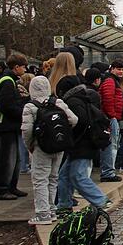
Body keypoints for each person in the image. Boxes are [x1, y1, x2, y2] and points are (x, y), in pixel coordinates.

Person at [22, 76, 78, 225]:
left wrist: (30, 145)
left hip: (40, 147)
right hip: (59, 145)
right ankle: (52, 209)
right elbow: (74, 119)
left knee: (40, 179)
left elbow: (26, 130)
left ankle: (42, 213)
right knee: (53, 178)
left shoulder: (30, 107)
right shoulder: (58, 102)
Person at [56, 76, 111, 214]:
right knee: (65, 174)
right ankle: (64, 204)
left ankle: (100, 200)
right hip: (84, 143)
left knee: (77, 175)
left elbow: (80, 121)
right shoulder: (82, 98)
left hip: (82, 144)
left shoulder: (72, 102)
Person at [0, 54, 29, 200]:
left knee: (15, 158)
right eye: (23, 66)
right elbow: (6, 105)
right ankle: (0, 188)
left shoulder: (8, 80)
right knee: (6, 158)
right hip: (6, 125)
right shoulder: (7, 82)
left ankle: (11, 186)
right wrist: (22, 112)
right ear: (16, 67)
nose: (25, 69)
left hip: (9, 125)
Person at [98, 59, 123, 183]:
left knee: (113, 144)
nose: (121, 72)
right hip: (110, 117)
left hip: (112, 116)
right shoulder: (110, 81)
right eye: (119, 69)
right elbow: (107, 98)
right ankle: (108, 172)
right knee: (111, 145)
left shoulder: (112, 80)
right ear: (112, 69)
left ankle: (109, 170)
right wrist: (112, 115)